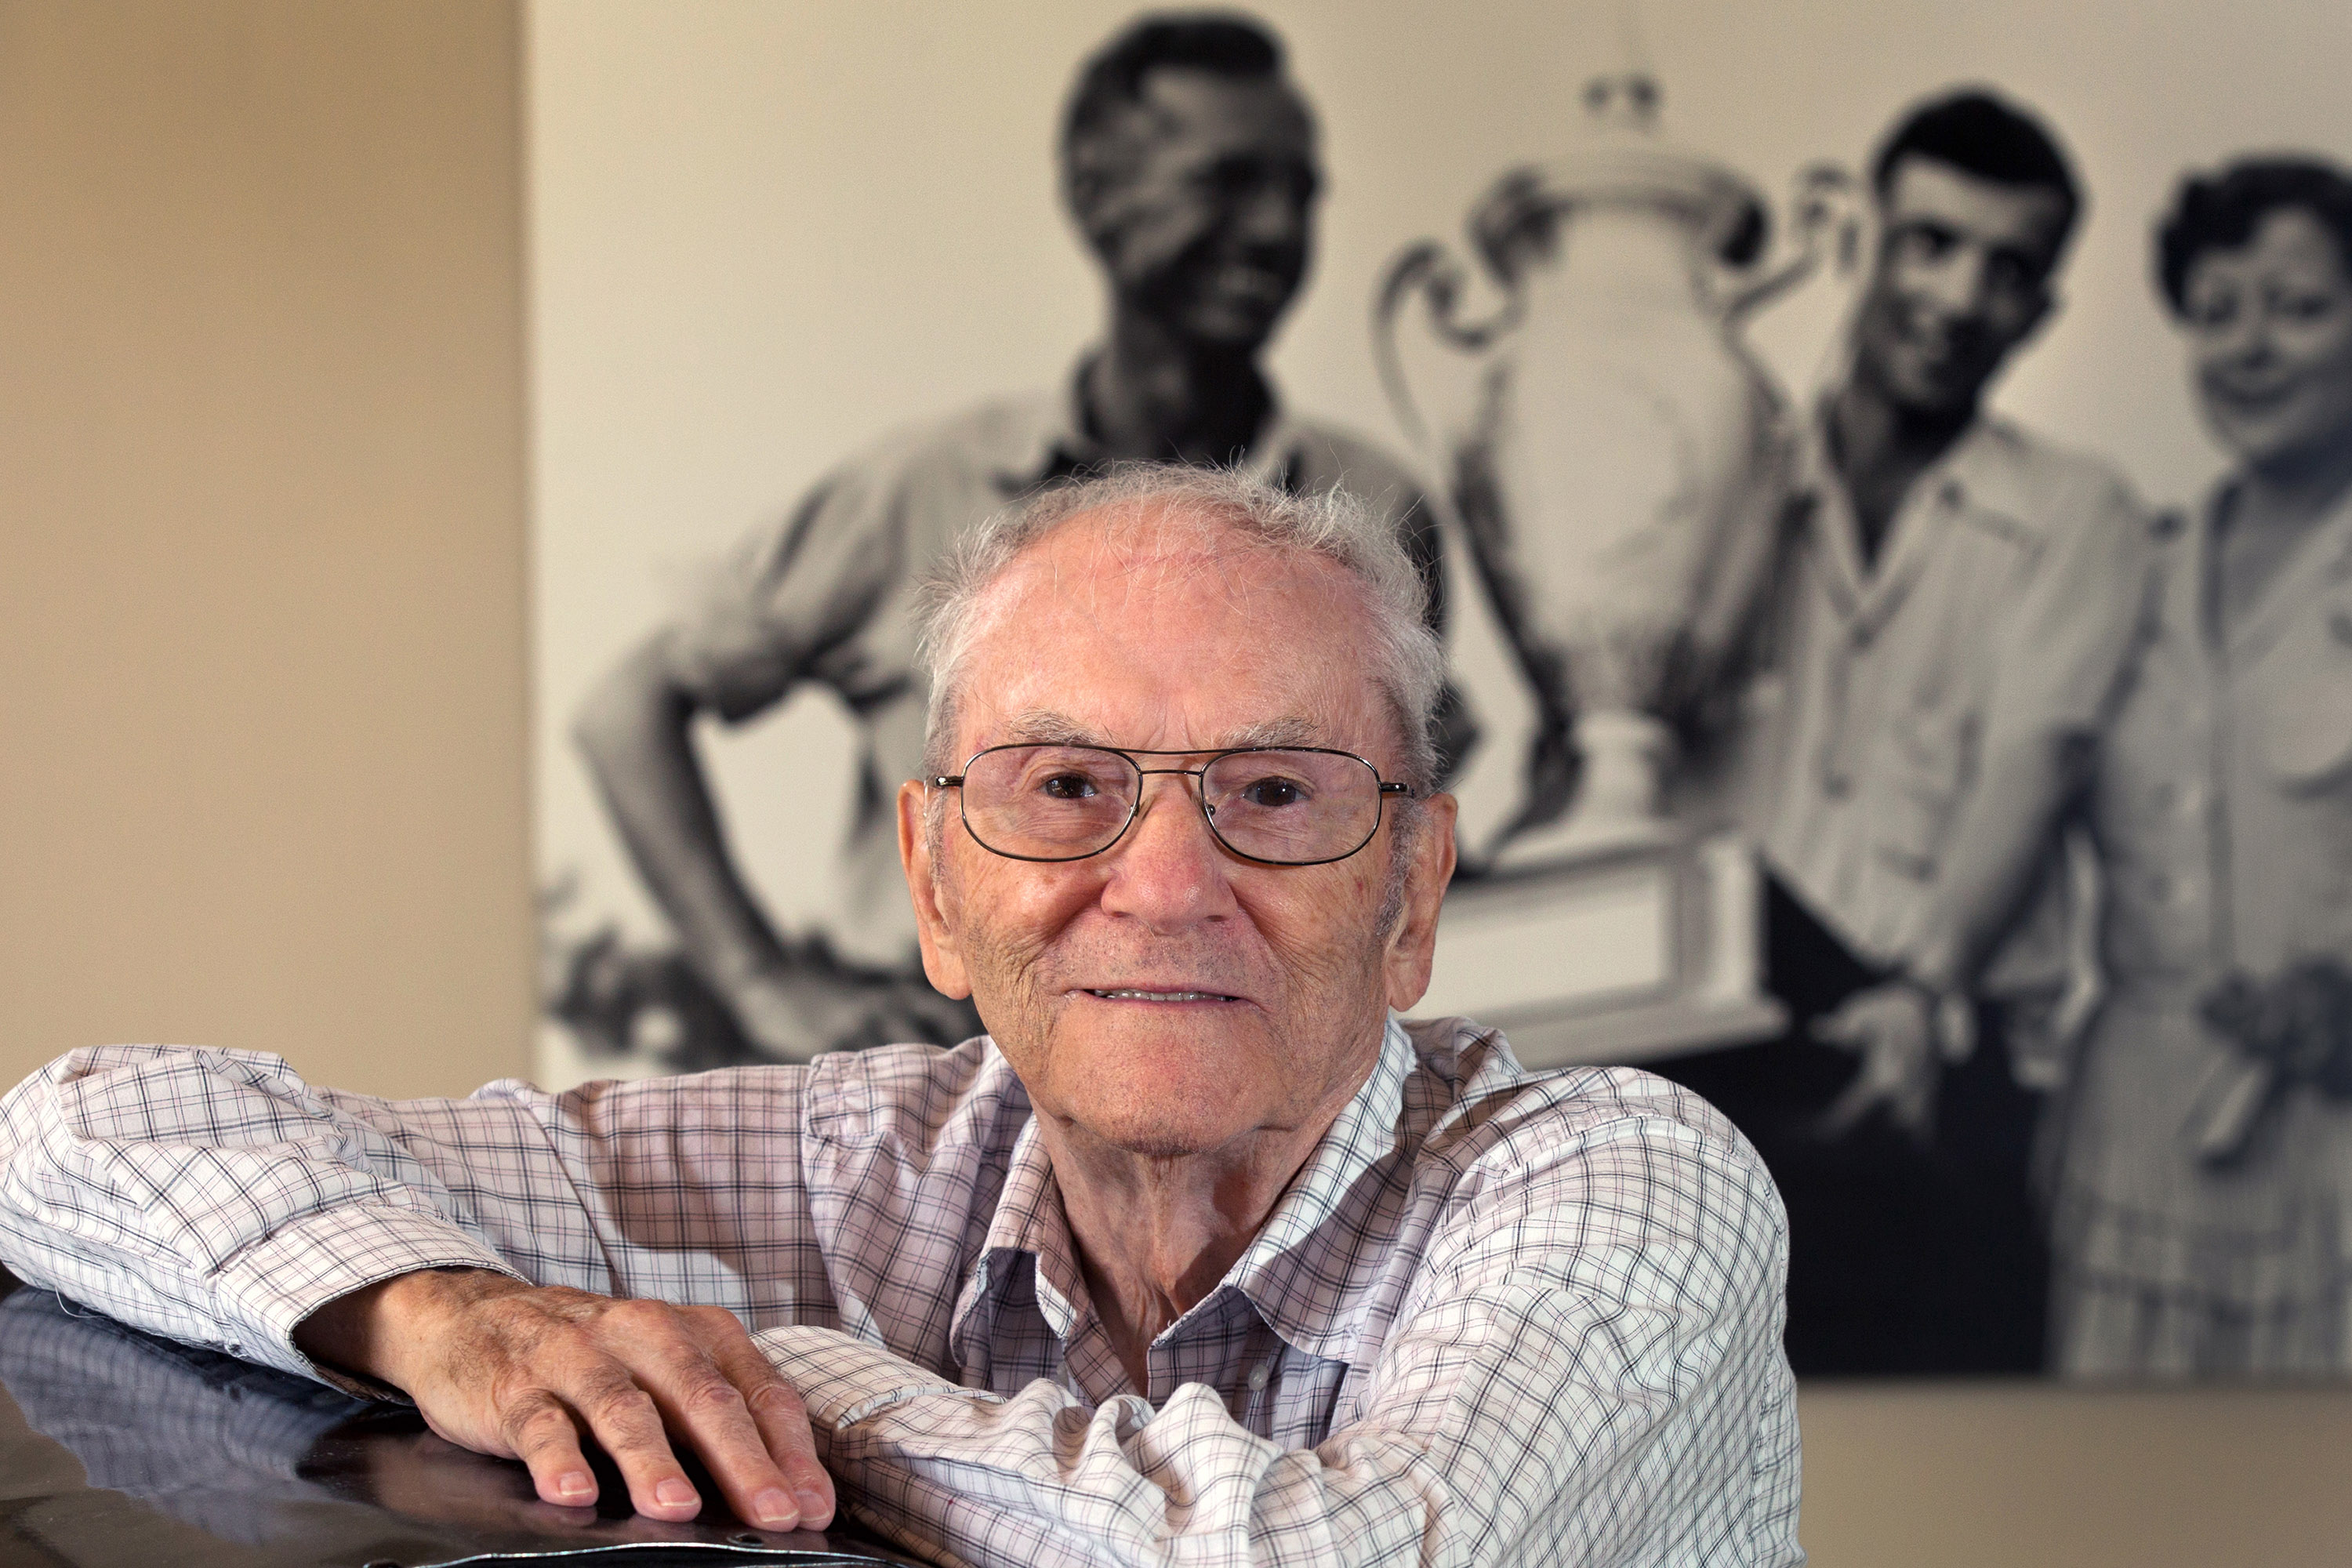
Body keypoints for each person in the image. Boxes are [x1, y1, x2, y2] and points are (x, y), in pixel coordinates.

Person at [0, 467, 1798, 1565]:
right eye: (1067, 784)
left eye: (1273, 790)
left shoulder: (1633, 1180)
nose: (1165, 881)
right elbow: (69, 1132)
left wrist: (758, 1375)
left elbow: (1337, 1560)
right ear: (936, 887)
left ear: (1412, 894)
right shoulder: (865, 1149)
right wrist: (439, 1308)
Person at [571, 12, 1456, 1065]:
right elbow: (626, 712)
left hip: (1241, 1089)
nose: (1272, 229)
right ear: (1097, 195)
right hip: (937, 1079)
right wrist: (766, 983)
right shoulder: (925, 487)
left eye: (1298, 193)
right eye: (1225, 181)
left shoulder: (1376, 508)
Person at [1648, 88, 2152, 1374]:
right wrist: (1751, 479)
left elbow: (2033, 766)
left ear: (2038, 311)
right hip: (1720, 1062)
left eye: (2008, 270)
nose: (1960, 294)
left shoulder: (2078, 514)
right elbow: (1648, 711)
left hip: (1942, 1064)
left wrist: (1928, 992)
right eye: (1931, 242)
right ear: (1867, 239)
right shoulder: (1724, 471)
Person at [1915, 157, 2352, 1375]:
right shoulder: (2140, 573)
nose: (2252, 347)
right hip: (2134, 1141)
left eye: (2301, 308)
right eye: (2218, 313)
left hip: (2329, 1153)